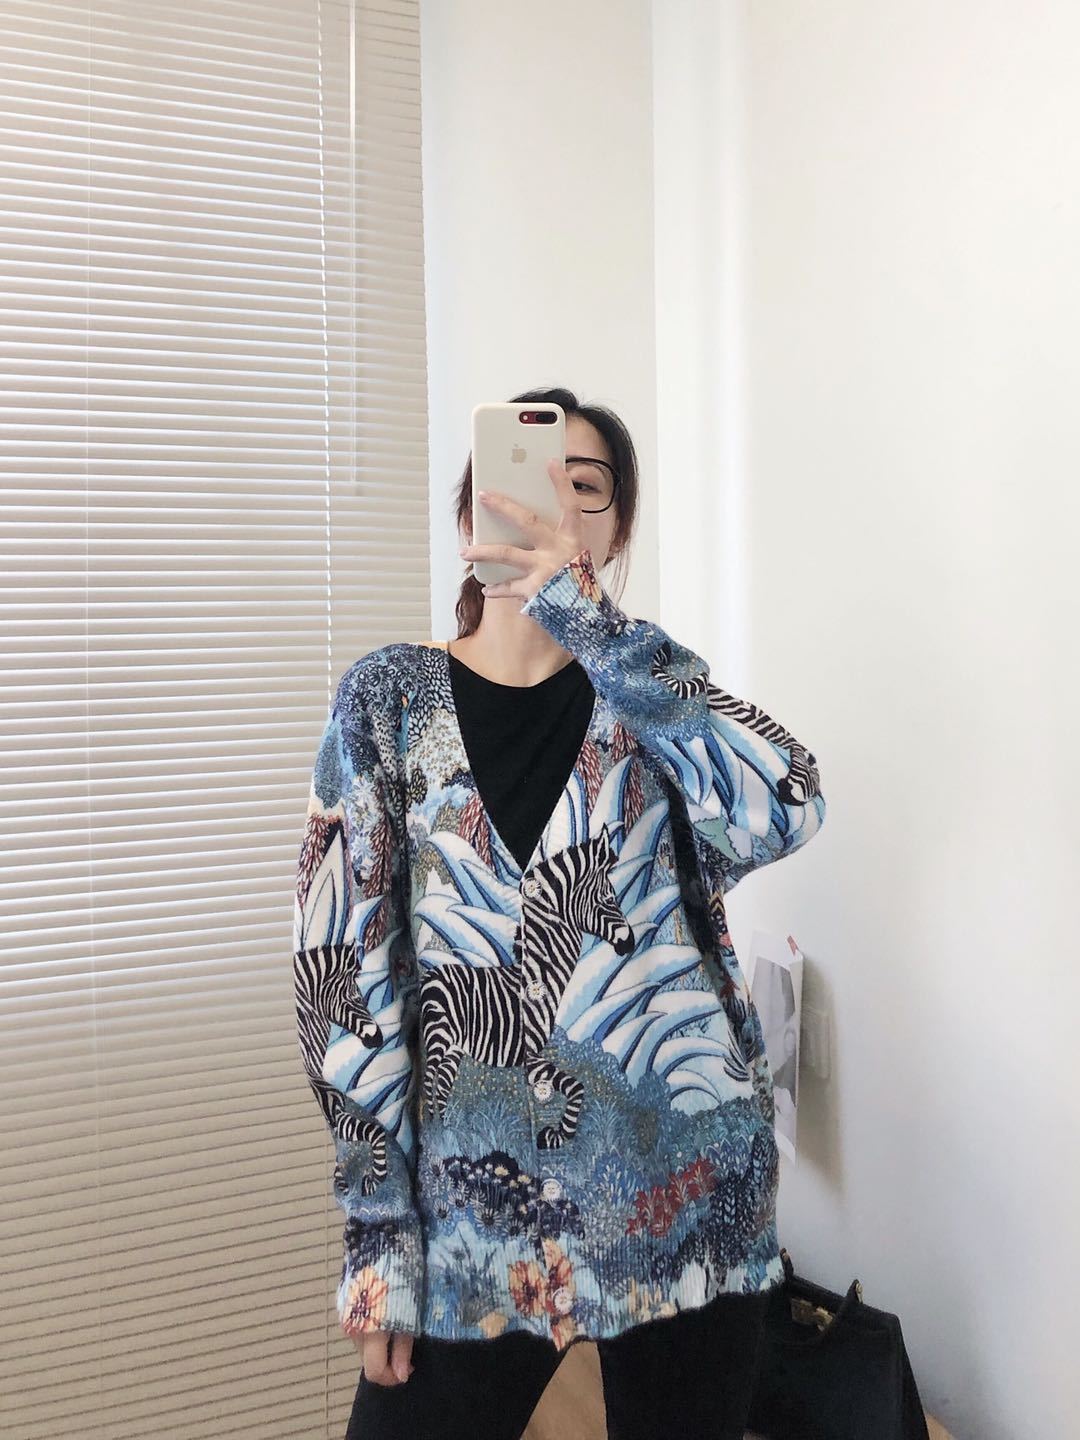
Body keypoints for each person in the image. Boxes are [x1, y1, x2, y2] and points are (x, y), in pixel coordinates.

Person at [292, 387, 827, 1439]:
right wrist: (378, 1240)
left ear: (613, 532)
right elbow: (338, 979)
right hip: (469, 1221)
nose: (557, 503)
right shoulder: (385, 704)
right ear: (469, 520)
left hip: (685, 1205)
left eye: (586, 487)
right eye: (528, 479)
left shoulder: (650, 699)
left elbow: (786, 804)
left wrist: (600, 631)